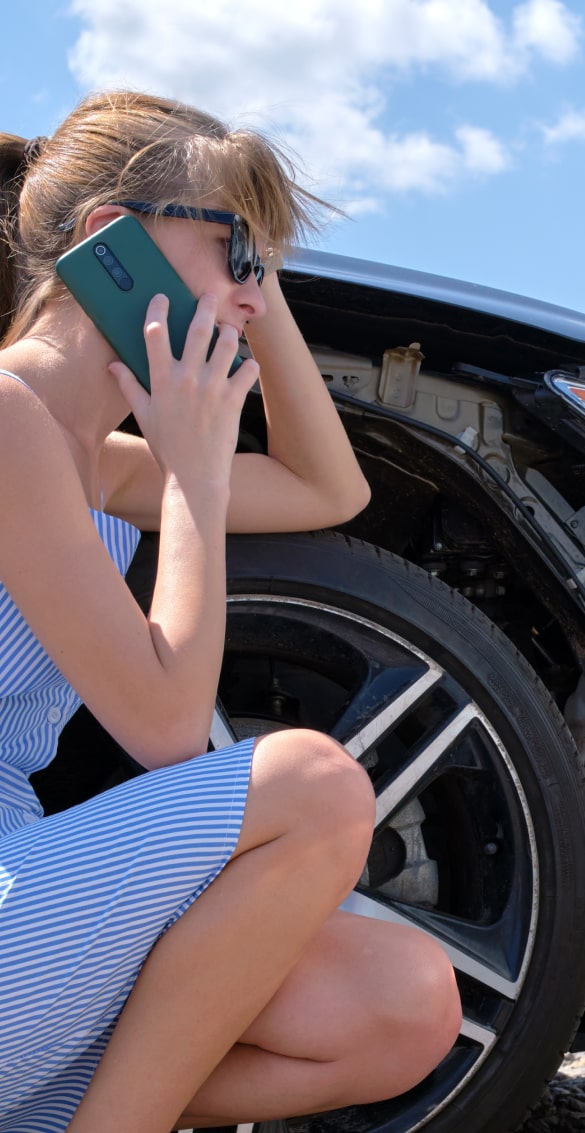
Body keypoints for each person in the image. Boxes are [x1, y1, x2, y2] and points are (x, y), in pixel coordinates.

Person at [0, 90, 461, 1133]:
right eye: (237, 253)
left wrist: (252, 276)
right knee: (314, 782)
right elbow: (166, 730)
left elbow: (326, 488)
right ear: (109, 247)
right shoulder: (8, 415)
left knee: (406, 1000)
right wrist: (194, 477)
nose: (255, 294)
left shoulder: (92, 460)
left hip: (23, 917)